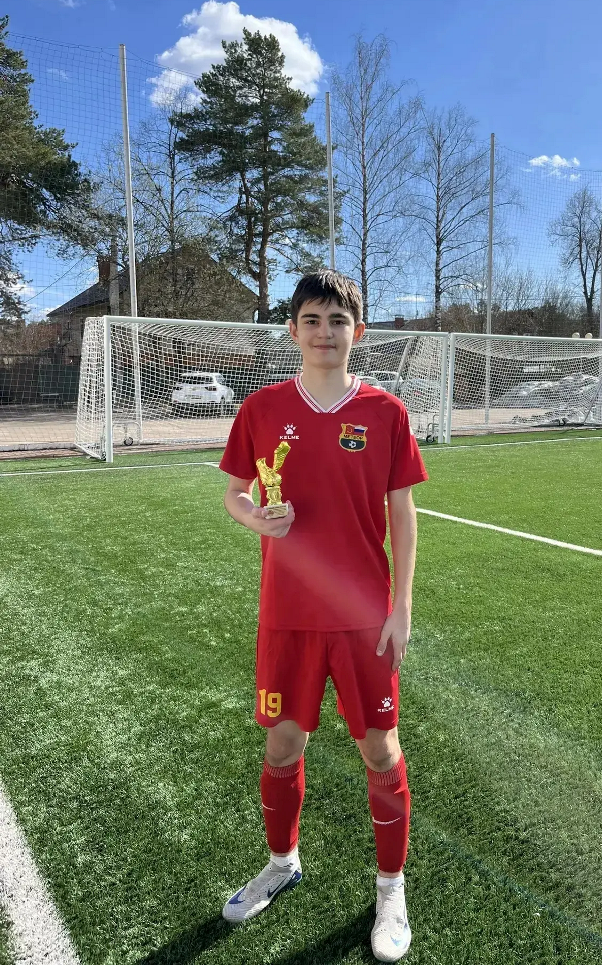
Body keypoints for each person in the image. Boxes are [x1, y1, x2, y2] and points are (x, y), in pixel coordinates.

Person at [218, 269, 428, 962]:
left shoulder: (386, 412)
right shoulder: (262, 409)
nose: (325, 332)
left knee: (380, 750)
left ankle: (390, 887)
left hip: (365, 618)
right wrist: (256, 518)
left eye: (338, 321)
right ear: (293, 331)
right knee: (282, 746)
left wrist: (401, 608)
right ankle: (282, 863)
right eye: (312, 319)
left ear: (356, 333)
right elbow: (234, 493)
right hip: (287, 615)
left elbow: (403, 512)